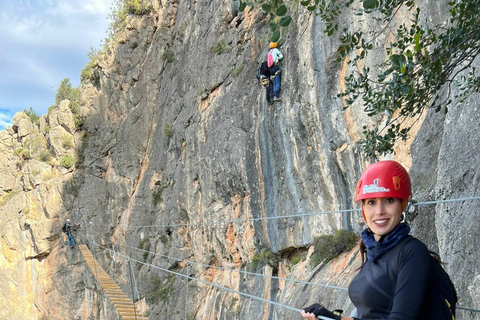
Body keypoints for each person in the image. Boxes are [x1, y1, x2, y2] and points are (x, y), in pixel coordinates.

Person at [301, 160, 456, 320]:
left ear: (403, 205)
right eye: (371, 202)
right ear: (363, 208)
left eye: (389, 200)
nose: (379, 211)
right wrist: (333, 318)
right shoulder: (375, 251)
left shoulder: (412, 252)